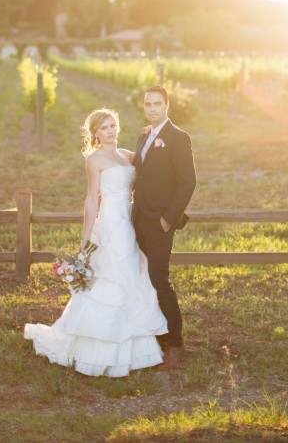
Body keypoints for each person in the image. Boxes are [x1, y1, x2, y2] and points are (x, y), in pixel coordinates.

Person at [24, 108, 167, 377]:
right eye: (104, 128)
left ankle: (135, 344)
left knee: (134, 276)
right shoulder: (94, 160)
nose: (111, 131)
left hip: (131, 220)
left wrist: (150, 137)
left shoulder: (127, 155)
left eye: (113, 125)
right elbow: (91, 199)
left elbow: (150, 165)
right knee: (113, 278)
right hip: (112, 225)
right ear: (96, 134)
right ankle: (99, 349)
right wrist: (85, 239)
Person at [133, 85, 197, 370]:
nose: (152, 109)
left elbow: (188, 182)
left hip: (160, 222)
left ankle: (175, 344)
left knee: (159, 279)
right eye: (148, 104)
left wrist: (168, 219)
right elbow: (142, 174)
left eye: (157, 104)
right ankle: (154, 335)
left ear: (167, 105)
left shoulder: (178, 138)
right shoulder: (144, 136)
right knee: (142, 280)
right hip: (138, 220)